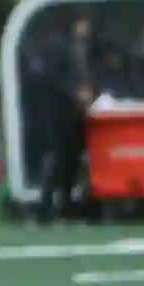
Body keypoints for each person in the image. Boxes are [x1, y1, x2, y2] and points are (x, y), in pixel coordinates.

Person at [39, 15, 97, 222]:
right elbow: (54, 79)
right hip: (60, 112)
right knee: (59, 159)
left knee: (73, 159)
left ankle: (66, 203)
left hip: (77, 113)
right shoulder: (58, 47)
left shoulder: (81, 48)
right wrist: (75, 93)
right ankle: (45, 206)